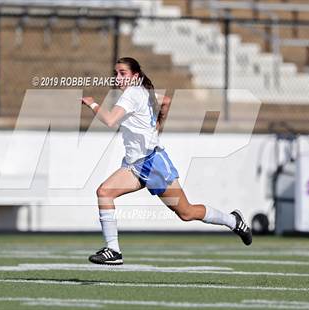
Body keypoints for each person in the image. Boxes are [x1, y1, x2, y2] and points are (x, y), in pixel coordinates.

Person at [81, 57, 251, 265]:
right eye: (116, 73)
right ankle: (113, 250)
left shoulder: (133, 94)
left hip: (152, 164)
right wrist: (158, 125)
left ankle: (233, 220)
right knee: (104, 192)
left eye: (123, 73)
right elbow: (166, 101)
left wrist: (93, 103)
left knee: (186, 213)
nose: (118, 78)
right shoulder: (141, 92)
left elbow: (109, 120)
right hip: (136, 165)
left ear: (135, 77)